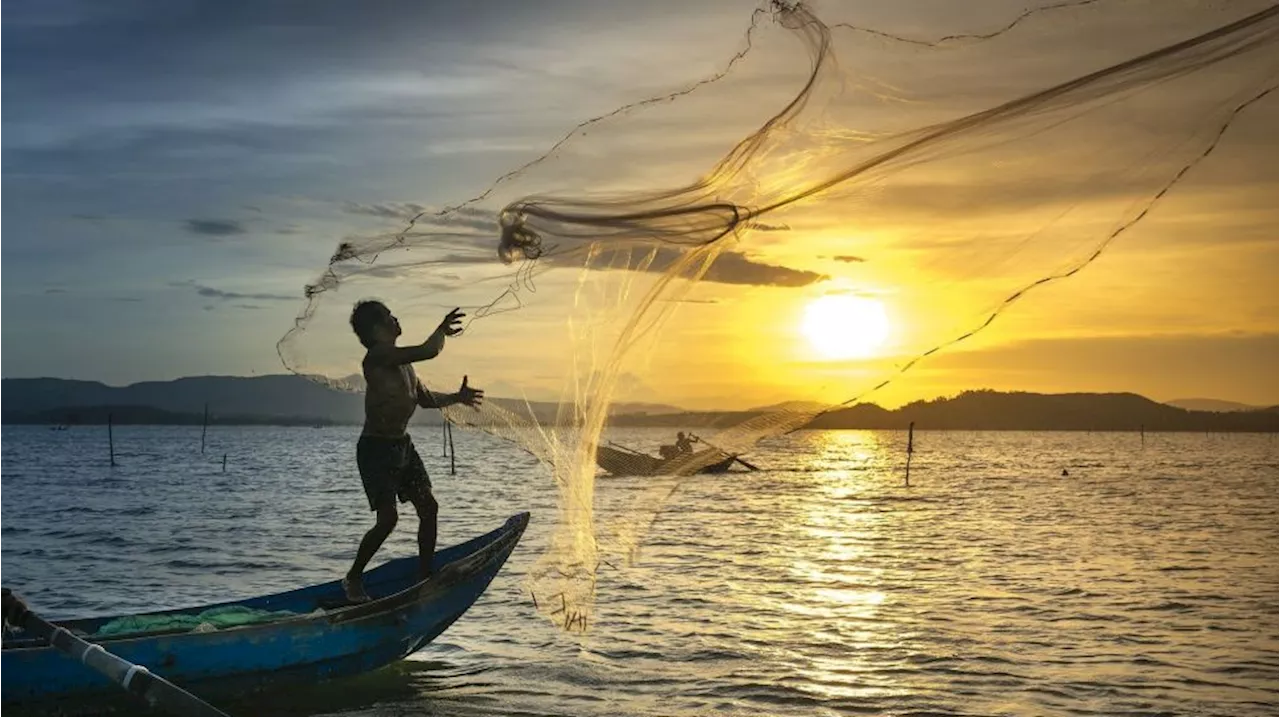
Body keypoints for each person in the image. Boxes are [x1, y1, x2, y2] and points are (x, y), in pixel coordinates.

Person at [342, 300, 484, 603]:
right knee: (388, 520)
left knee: (429, 508)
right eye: (391, 316)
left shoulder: (405, 365)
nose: (397, 319)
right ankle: (353, 578)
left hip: (402, 445)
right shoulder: (378, 357)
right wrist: (442, 330)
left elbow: (426, 400)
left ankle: (424, 576)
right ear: (378, 329)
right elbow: (429, 350)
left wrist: (457, 397)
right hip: (376, 449)